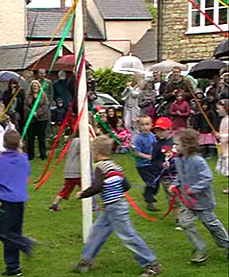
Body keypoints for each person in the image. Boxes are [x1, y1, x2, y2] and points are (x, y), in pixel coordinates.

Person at [74, 135, 162, 277]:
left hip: (115, 207)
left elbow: (97, 187)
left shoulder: (100, 167)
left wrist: (82, 194)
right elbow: (126, 185)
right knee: (97, 233)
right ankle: (85, 261)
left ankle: (151, 263)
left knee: (128, 236)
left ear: (96, 152)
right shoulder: (115, 166)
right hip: (113, 206)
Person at [169, 129, 229, 263]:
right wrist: (175, 184)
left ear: (187, 145)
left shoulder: (198, 161)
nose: (175, 147)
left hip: (203, 202)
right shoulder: (178, 160)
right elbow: (180, 175)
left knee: (212, 224)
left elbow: (207, 178)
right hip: (187, 202)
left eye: (177, 144)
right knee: (185, 223)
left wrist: (194, 189)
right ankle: (200, 249)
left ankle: (226, 244)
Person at [0, 129, 36, 276]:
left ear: (4, 144)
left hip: (7, 201)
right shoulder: (23, 158)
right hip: (20, 201)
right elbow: (27, 172)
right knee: (13, 232)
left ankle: (25, 243)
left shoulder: (0, 162)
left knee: (3, 233)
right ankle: (13, 267)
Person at [151, 117, 181, 230]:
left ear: (169, 129)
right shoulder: (156, 145)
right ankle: (179, 220)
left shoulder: (176, 143)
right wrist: (161, 165)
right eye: (157, 130)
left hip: (179, 174)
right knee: (173, 197)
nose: (159, 133)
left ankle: (186, 216)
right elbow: (154, 161)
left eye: (162, 130)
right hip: (166, 177)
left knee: (183, 195)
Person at [49, 135, 81, 211]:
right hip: (78, 171)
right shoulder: (81, 141)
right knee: (88, 189)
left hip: (69, 171)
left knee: (65, 190)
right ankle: (92, 205)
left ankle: (54, 205)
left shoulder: (71, 141)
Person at [134, 115, 158, 211]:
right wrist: (148, 156)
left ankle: (149, 196)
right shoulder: (138, 139)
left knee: (156, 181)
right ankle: (149, 200)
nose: (145, 127)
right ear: (139, 127)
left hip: (152, 163)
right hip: (143, 165)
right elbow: (137, 152)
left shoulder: (152, 136)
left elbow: (155, 145)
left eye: (147, 124)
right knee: (151, 182)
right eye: (142, 125)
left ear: (151, 125)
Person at [24, 80, 50, 161]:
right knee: (30, 138)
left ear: (39, 87)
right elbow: (25, 106)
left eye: (36, 86)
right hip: (31, 120)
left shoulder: (43, 96)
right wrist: (31, 112)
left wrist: (37, 113)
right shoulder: (28, 96)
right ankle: (31, 155)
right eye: (33, 86)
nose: (35, 87)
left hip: (42, 119)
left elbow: (45, 106)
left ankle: (43, 155)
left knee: (41, 138)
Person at [122, 73, 142, 143]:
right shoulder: (129, 87)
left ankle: (137, 140)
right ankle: (132, 139)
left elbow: (135, 95)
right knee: (127, 124)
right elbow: (123, 96)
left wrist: (130, 88)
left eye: (132, 78)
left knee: (135, 125)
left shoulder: (138, 88)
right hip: (128, 108)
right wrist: (126, 89)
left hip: (135, 109)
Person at [215, 99, 229, 194]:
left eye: (219, 108)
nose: (217, 110)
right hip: (224, 147)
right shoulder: (224, 119)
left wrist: (222, 136)